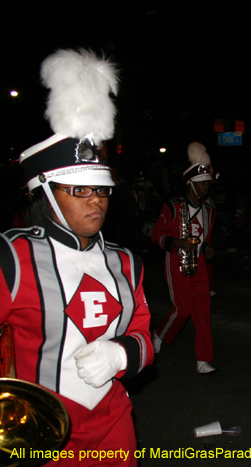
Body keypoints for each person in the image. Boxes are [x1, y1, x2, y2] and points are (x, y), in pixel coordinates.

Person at [0, 49, 153, 466]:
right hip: (40, 435)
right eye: (79, 191)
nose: (96, 201)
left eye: (100, 190)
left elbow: (143, 336)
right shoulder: (13, 258)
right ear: (48, 193)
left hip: (114, 423)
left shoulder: (125, 262)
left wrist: (121, 354)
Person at [151, 142, 217, 374]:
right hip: (176, 260)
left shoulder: (209, 209)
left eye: (208, 182)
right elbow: (156, 235)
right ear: (191, 184)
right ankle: (159, 334)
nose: (208, 186)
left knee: (203, 310)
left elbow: (206, 235)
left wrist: (207, 248)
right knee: (183, 309)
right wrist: (176, 243)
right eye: (203, 183)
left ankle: (203, 360)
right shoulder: (173, 206)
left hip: (198, 263)